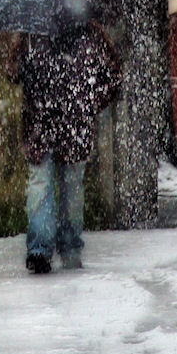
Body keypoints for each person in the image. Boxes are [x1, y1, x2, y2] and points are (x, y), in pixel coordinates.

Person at [11, 21, 121, 274]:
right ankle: (53, 248)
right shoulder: (88, 33)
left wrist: (88, 103)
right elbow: (113, 77)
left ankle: (51, 248)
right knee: (55, 187)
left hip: (54, 123)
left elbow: (113, 77)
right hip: (60, 124)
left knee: (51, 187)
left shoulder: (36, 31)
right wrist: (88, 103)